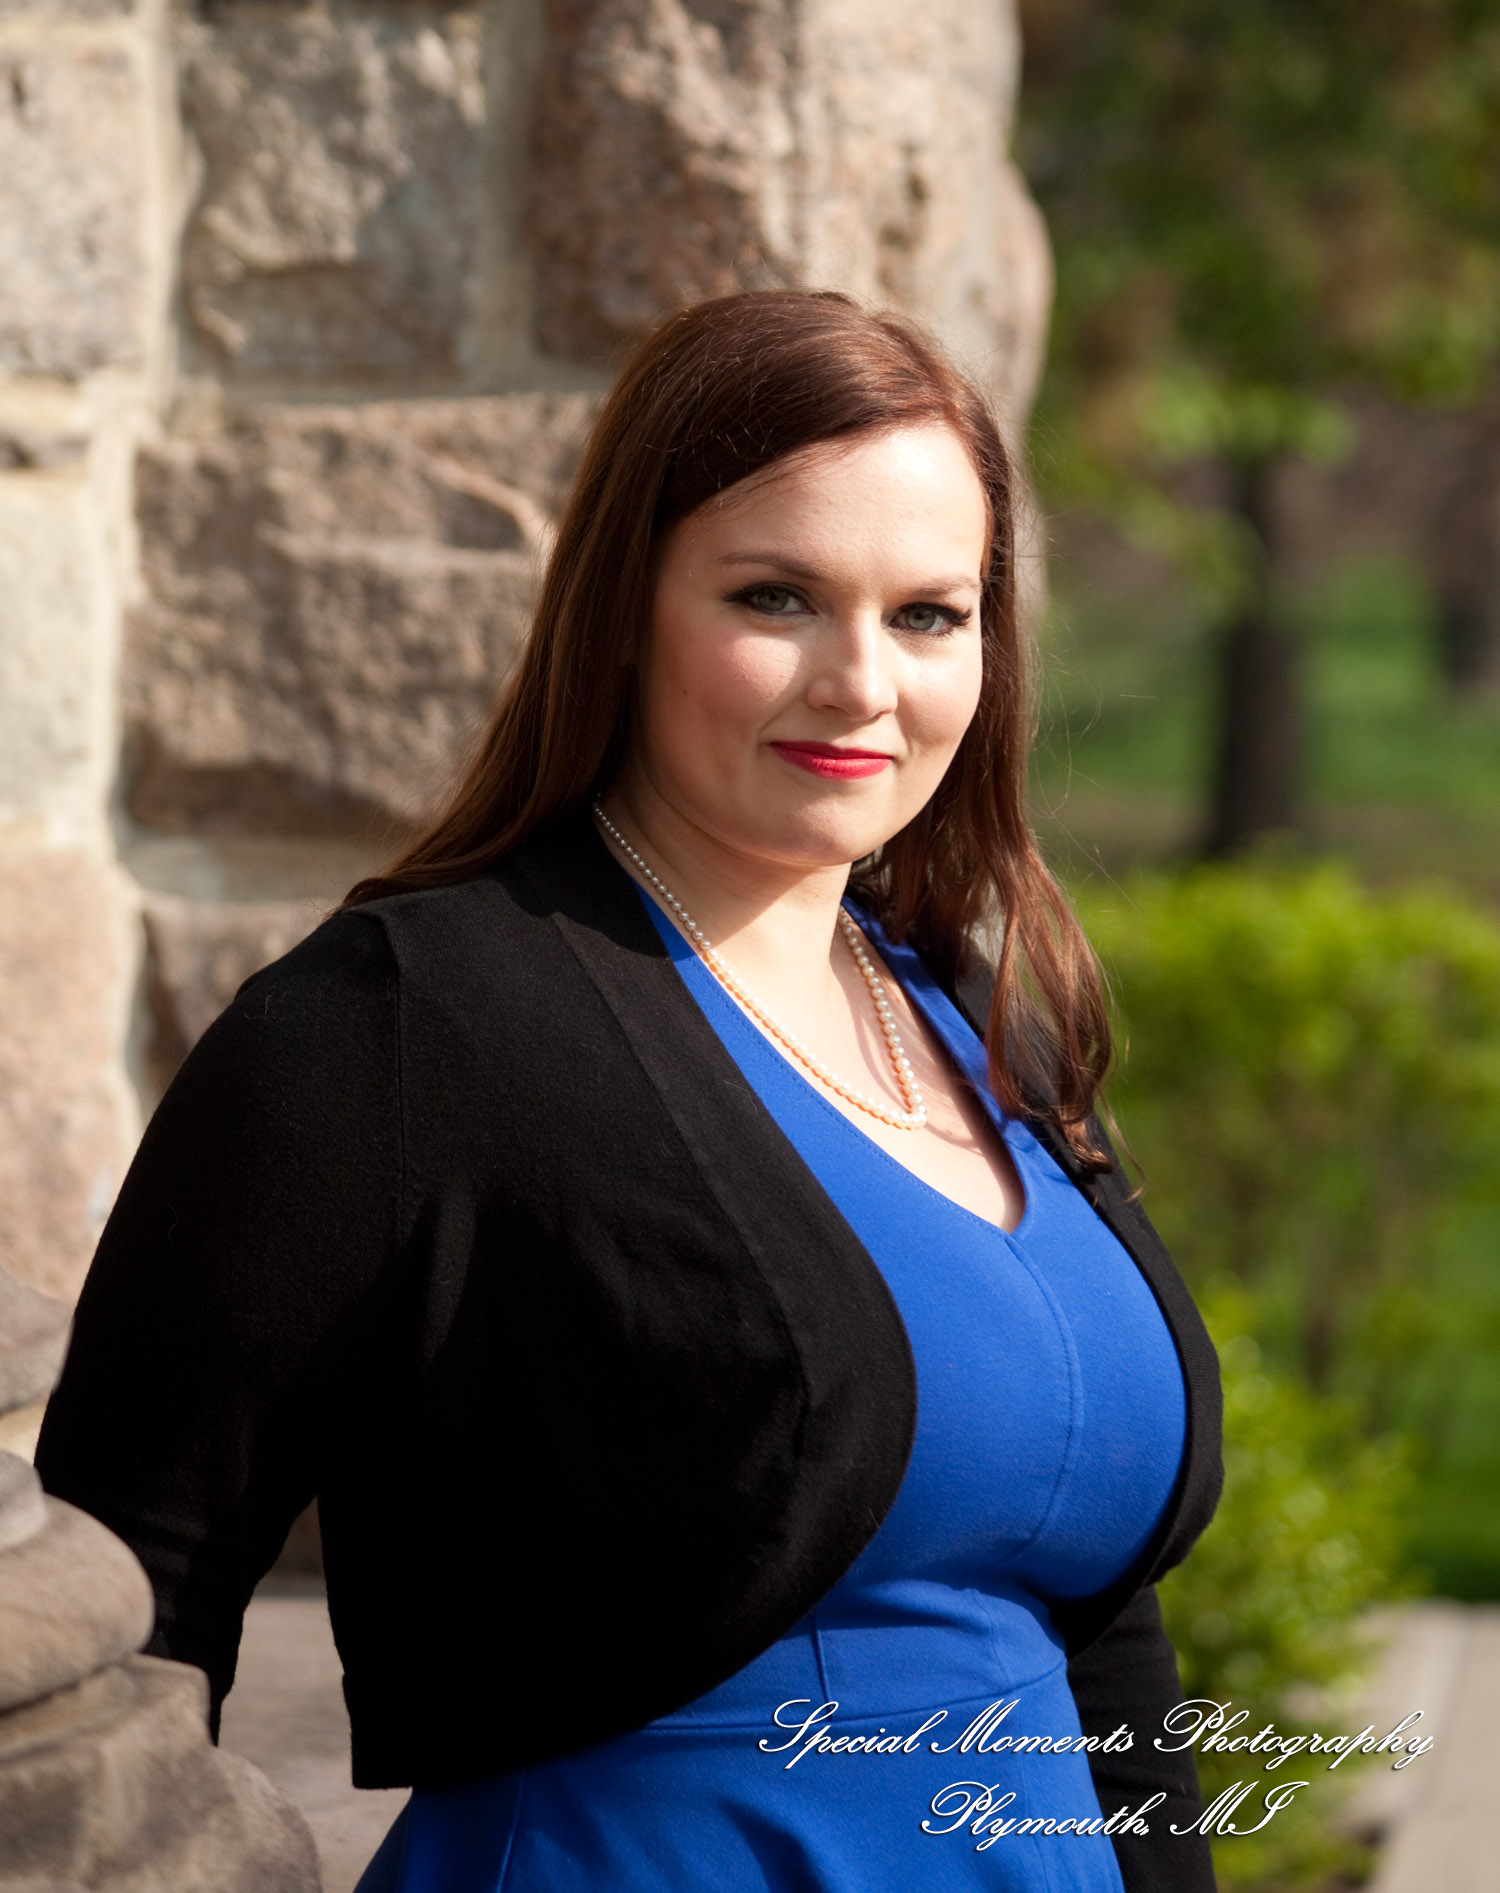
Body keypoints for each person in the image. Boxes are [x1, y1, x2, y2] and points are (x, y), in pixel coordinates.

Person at [36, 291, 1223, 1893]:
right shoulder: (401, 1022)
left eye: (929, 614)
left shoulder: (984, 1018)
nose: (861, 680)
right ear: (621, 609)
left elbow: (1104, 1633)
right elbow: (120, 1608)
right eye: (776, 596)